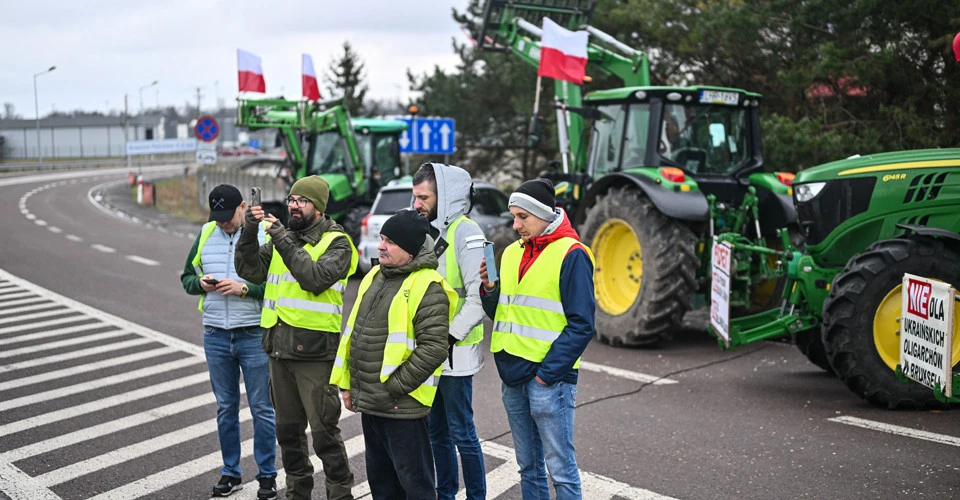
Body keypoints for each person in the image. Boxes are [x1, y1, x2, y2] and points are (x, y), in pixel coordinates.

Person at [234, 176, 357, 500]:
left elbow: (313, 279)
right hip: (278, 349)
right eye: (291, 199)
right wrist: (248, 230)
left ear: (318, 207)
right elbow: (249, 269)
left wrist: (281, 238)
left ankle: (340, 493)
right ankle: (297, 493)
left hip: (315, 354)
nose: (293, 205)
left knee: (324, 434)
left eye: (302, 200)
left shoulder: (338, 243)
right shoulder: (282, 238)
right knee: (287, 434)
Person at [478, 177, 596, 500]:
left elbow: (582, 324)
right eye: (513, 216)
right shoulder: (512, 253)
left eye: (522, 217)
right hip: (513, 374)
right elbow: (504, 311)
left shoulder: (573, 255)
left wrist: (546, 376)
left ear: (544, 214)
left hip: (549, 379)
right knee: (528, 468)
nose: (515, 225)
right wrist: (489, 290)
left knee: (561, 471)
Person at [330, 209, 456, 500]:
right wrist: (349, 384)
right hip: (373, 401)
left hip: (401, 406)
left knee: (416, 487)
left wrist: (394, 388)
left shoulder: (429, 287)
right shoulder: (376, 275)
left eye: (390, 241)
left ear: (411, 250)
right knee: (382, 484)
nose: (381, 246)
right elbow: (356, 333)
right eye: (382, 238)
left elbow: (434, 348)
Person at [179, 184, 277, 499]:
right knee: (225, 408)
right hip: (215, 334)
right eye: (217, 216)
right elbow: (186, 279)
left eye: (227, 216)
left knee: (262, 408)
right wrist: (202, 284)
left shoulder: (264, 233)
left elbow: (278, 286)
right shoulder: (206, 233)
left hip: (252, 333)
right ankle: (230, 472)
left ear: (243, 207)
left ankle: (267, 475)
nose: (222, 223)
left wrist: (244, 289)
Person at [411, 163, 487, 500]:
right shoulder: (428, 229)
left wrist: (446, 338)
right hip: (430, 352)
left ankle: (476, 497)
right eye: (415, 197)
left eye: (423, 197)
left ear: (447, 197)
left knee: (462, 434)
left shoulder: (467, 233)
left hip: (456, 353)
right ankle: (445, 495)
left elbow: (479, 297)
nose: (416, 204)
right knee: (435, 433)